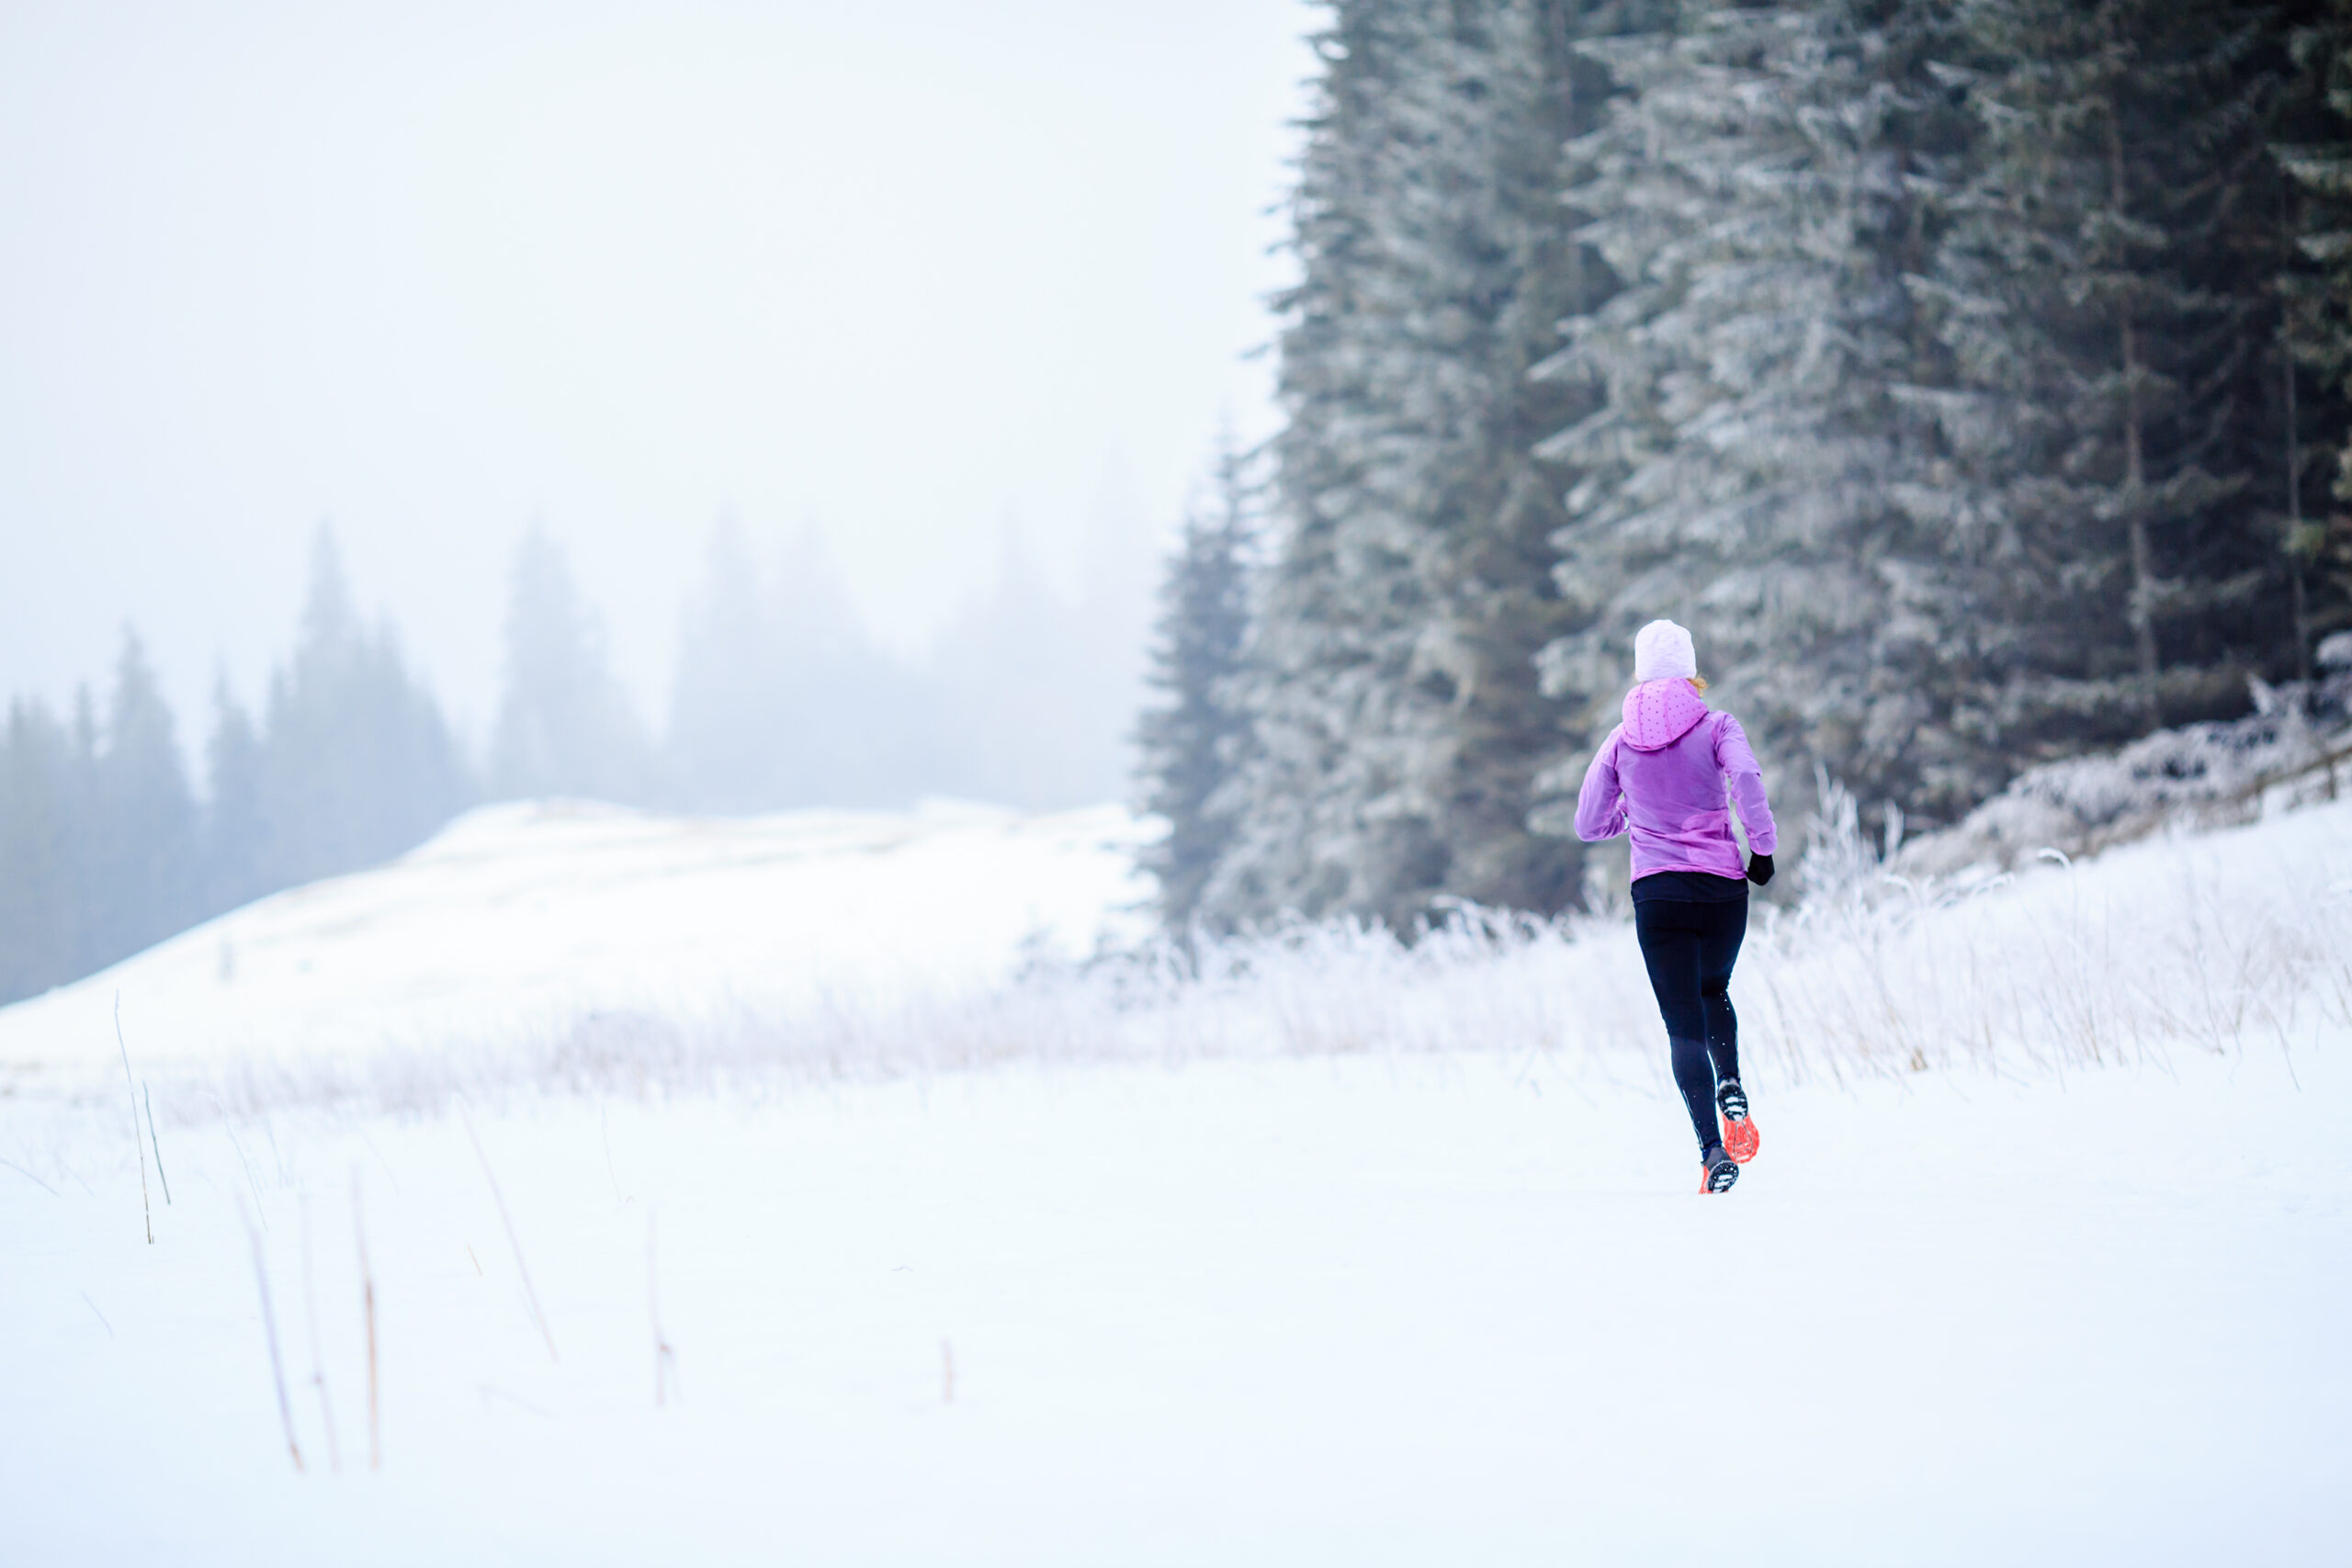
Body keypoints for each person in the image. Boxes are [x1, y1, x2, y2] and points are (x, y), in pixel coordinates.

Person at [1575, 619, 1777, 1194]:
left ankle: (1712, 1153)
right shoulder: (1718, 725)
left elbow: (1588, 822)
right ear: (1690, 670)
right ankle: (1731, 1081)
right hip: (1720, 889)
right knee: (1715, 990)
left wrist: (1633, 820)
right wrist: (1761, 849)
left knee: (1682, 1027)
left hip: (1657, 893)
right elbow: (1745, 779)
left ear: (1640, 672)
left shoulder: (1618, 740)